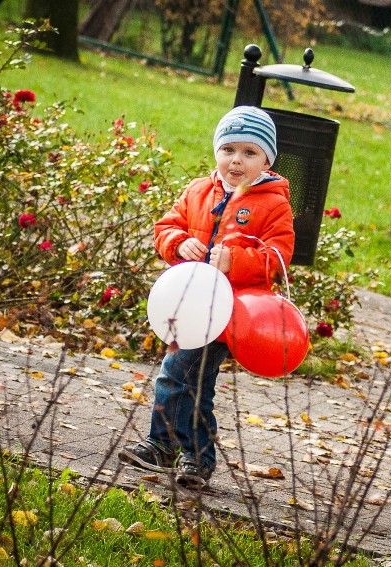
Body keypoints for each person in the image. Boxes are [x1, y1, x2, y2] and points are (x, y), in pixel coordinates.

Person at [118, 106, 294, 489]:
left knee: (185, 375)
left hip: (228, 311)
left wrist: (236, 260)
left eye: (250, 152)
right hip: (188, 303)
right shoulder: (198, 190)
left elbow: (277, 258)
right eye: (229, 149)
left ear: (267, 160)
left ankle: (183, 452)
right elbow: (166, 226)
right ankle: (175, 449)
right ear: (217, 151)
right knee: (186, 377)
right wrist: (179, 244)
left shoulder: (273, 203)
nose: (236, 160)